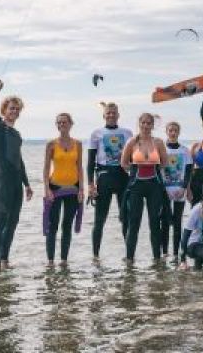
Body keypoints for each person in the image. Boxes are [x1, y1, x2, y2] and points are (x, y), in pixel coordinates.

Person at [0, 80, 33, 269]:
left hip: (16, 184)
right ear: (4, 110)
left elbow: (19, 160)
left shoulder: (16, 134)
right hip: (3, 181)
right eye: (11, 109)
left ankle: (5, 260)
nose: (14, 112)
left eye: (17, 110)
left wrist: (27, 184)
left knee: (12, 224)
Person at [87, 102, 134, 259]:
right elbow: (90, 161)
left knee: (125, 219)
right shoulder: (96, 133)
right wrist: (90, 184)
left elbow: (133, 159)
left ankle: (129, 256)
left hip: (122, 178)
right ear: (104, 115)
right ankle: (95, 256)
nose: (111, 115)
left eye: (114, 112)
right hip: (104, 177)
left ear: (118, 115)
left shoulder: (127, 133)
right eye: (108, 113)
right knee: (99, 220)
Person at [121, 113, 168, 262]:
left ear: (152, 125)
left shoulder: (158, 143)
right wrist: (135, 170)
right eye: (143, 123)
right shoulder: (132, 142)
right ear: (139, 124)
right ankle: (129, 259)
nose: (146, 126)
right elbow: (124, 164)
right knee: (134, 222)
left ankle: (156, 258)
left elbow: (164, 163)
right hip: (136, 186)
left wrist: (150, 166)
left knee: (155, 221)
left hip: (154, 185)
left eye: (149, 123)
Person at [42, 113, 84, 263]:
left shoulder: (78, 144)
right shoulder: (51, 144)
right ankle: (51, 262)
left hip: (73, 189)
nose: (61, 125)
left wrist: (81, 190)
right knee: (53, 225)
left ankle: (64, 261)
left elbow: (79, 168)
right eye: (59, 123)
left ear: (71, 124)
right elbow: (46, 168)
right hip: (55, 188)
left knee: (67, 225)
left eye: (64, 122)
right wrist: (47, 189)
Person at [160, 121, 192, 259]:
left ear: (178, 132)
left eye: (175, 130)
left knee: (178, 222)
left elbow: (189, 170)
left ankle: (175, 253)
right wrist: (162, 189)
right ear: (166, 132)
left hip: (179, 190)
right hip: (165, 191)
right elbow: (158, 170)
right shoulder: (162, 149)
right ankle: (165, 252)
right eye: (170, 130)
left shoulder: (184, 150)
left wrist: (184, 188)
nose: (173, 133)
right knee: (165, 221)